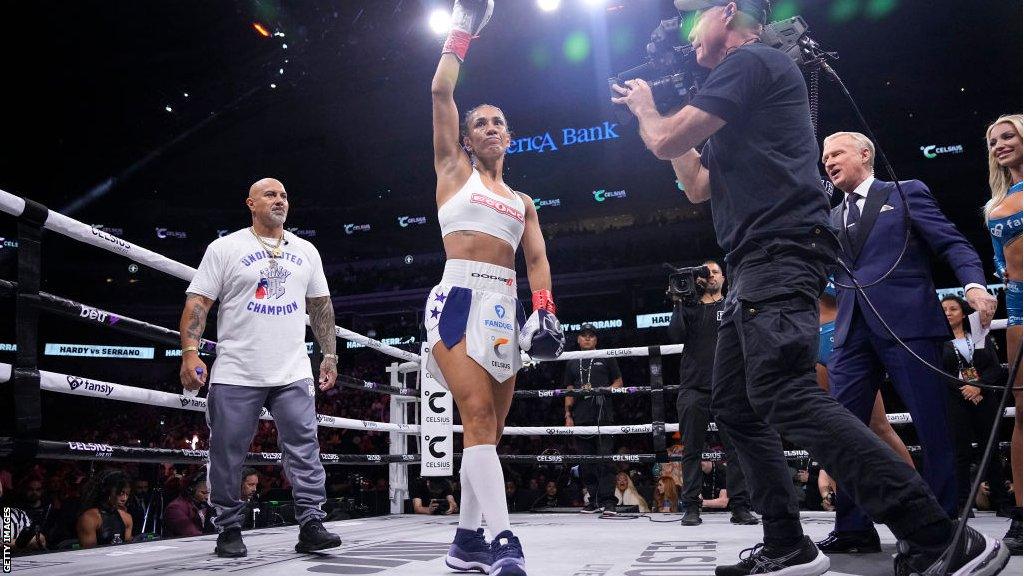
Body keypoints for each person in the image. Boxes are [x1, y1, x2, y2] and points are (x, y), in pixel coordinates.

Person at [612, 1, 1009, 574]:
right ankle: (787, 542)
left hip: (777, 250)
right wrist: (664, 122)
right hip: (753, 257)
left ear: (727, 14)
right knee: (736, 404)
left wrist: (653, 114)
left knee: (785, 393)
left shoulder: (751, 64)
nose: (686, 31)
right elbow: (697, 183)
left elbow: (666, 141)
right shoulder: (740, 92)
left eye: (693, 17)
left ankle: (939, 534)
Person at [428, 2, 564, 574]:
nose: (489, 128)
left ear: (509, 136)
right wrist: (462, 31)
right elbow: (440, 93)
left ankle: (464, 541)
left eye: (497, 122)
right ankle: (503, 541)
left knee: (489, 432)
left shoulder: (522, 201)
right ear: (465, 137)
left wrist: (545, 313)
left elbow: (537, 258)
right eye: (479, 122)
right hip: (457, 301)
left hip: (503, 312)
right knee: (478, 414)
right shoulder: (452, 172)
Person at [821, 129, 996, 551]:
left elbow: (952, 242)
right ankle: (853, 528)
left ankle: (939, 526)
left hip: (910, 326)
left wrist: (973, 284)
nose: (827, 161)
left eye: (836, 152)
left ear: (864, 154)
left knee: (933, 425)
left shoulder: (904, 192)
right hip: (850, 333)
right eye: (824, 157)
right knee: (843, 432)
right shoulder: (830, 216)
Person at [179, 177, 342, 558]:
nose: (280, 200)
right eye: (270, 194)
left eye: (285, 195)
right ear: (250, 203)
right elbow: (199, 302)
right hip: (237, 370)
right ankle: (229, 527)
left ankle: (311, 523)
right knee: (226, 452)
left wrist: (330, 355)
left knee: (305, 449)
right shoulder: (225, 247)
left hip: (292, 370)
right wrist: (190, 351)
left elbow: (320, 307)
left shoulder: (306, 251)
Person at [814, 281, 914, 553]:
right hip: (810, 338)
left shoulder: (833, 248)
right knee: (832, 431)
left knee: (878, 426)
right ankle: (851, 524)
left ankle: (920, 504)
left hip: (841, 333)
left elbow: (845, 292)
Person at [667, 260, 757, 526]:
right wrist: (679, 300)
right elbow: (675, 334)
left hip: (729, 386)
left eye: (715, 272)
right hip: (694, 386)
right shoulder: (691, 308)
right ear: (698, 279)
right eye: (706, 273)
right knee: (691, 449)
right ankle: (691, 507)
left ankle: (740, 506)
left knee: (735, 449)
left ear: (724, 278)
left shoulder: (733, 305)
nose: (711, 276)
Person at [984, 113, 1023, 555]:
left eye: (1008, 136)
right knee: (1022, 412)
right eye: (994, 141)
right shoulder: (996, 202)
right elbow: (1002, 263)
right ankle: (1021, 513)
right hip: (1018, 305)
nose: (999, 145)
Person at [940, 296, 1011, 516]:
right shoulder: (937, 341)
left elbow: (995, 368)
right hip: (955, 399)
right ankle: (962, 503)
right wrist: (965, 388)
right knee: (959, 451)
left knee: (989, 447)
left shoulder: (980, 337)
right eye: (944, 310)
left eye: (953, 308)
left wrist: (979, 387)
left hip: (983, 397)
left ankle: (1000, 499)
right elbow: (938, 371)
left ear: (963, 313)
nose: (948, 313)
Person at [563, 324, 622, 514]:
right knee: (586, 461)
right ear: (578, 340)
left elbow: (619, 381)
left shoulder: (606, 356)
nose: (587, 339)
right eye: (584, 336)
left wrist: (606, 391)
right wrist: (568, 415)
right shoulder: (572, 361)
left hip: (603, 414)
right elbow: (569, 389)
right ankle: (594, 500)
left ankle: (608, 501)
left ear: (596, 340)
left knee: (605, 459)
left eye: (591, 336)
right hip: (581, 416)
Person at [75, 469, 132, 548]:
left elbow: (129, 549)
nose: (124, 498)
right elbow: (90, 554)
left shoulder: (126, 518)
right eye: (120, 493)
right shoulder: (89, 518)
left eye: (127, 494)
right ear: (107, 492)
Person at [163, 470, 214, 537]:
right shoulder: (175, 509)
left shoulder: (206, 505)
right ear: (191, 491)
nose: (208, 497)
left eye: (209, 492)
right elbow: (194, 535)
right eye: (204, 493)